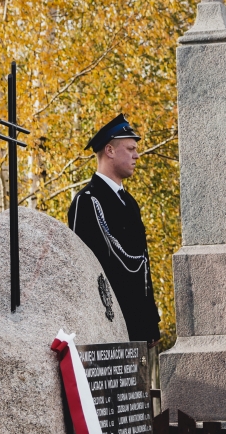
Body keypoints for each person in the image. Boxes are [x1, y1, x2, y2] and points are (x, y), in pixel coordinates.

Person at [68, 114, 161, 344]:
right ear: (109, 150)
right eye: (130, 148)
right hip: (107, 326)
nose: (136, 155)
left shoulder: (129, 203)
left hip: (136, 327)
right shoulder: (88, 201)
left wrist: (150, 321)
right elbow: (84, 270)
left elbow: (142, 264)